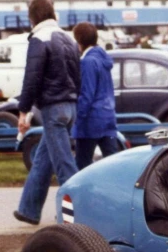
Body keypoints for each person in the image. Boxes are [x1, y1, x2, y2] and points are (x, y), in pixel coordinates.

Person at [13, 0, 80, 225]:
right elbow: (77, 76)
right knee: (44, 161)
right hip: (70, 107)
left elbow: (31, 79)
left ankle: (79, 218)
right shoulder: (68, 39)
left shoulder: (39, 39)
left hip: (53, 109)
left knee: (64, 168)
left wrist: (23, 112)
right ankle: (28, 209)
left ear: (32, 18)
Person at [72, 22, 118, 171]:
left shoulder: (87, 62)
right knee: (113, 164)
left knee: (82, 165)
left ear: (79, 41)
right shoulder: (103, 59)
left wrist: (77, 119)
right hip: (108, 117)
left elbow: (87, 95)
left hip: (91, 121)